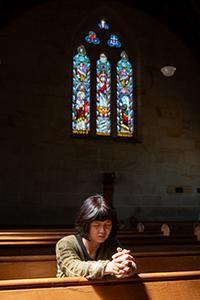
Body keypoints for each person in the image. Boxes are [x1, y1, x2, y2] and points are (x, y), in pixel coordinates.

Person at [56, 194, 137, 279]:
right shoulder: (66, 243)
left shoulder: (111, 243)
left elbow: (130, 268)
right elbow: (73, 269)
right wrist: (106, 267)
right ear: (86, 224)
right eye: (96, 225)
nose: (102, 230)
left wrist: (126, 264)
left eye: (107, 224)